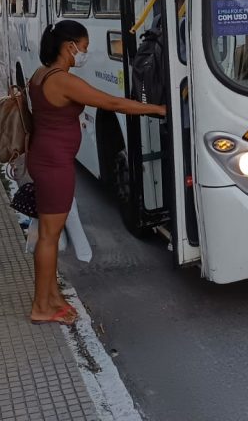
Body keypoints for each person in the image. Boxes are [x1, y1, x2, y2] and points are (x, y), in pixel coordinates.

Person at [27, 20, 165, 324]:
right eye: (84, 48)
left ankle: (51, 296)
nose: (84, 54)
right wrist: (157, 109)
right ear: (69, 47)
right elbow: (111, 102)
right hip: (54, 164)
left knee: (49, 233)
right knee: (48, 237)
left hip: (44, 158)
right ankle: (41, 306)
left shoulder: (41, 74)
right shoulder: (62, 80)